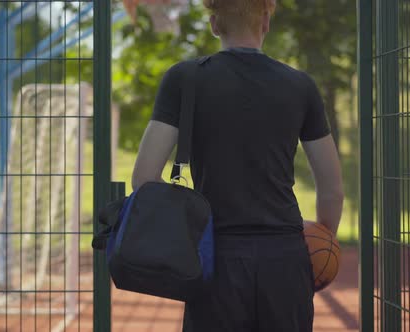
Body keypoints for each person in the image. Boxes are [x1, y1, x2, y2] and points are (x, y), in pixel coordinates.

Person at [131, 0, 344, 330]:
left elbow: (144, 178)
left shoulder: (183, 79)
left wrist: (189, 232)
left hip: (215, 257)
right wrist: (322, 238)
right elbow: (332, 189)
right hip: (285, 259)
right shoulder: (301, 86)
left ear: (215, 24)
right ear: (266, 24)